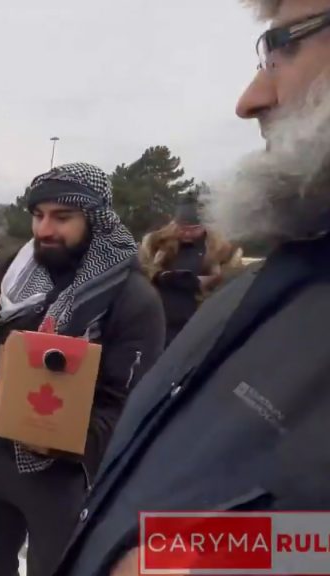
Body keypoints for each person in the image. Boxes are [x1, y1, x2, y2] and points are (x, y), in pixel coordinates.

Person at [55, 1, 330, 574]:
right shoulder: (285, 276)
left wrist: (193, 560)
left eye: (283, 48)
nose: (250, 98)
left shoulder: (219, 272)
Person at [0, 163, 165, 576]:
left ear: (95, 220)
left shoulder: (132, 299)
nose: (44, 230)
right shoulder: (12, 269)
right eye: (38, 215)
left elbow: (132, 408)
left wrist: (58, 442)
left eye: (62, 218)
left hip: (67, 476)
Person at [139, 194, 243, 346]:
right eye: (182, 228)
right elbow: (142, 268)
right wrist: (159, 274)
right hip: (160, 319)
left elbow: (234, 279)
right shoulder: (156, 243)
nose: (187, 233)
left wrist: (211, 281)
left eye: (193, 229)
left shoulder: (222, 249)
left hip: (198, 321)